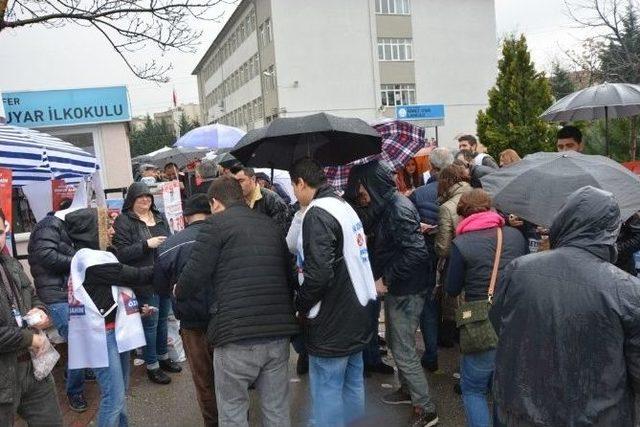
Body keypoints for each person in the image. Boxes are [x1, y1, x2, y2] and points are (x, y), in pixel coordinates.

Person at [491, 186, 640, 426]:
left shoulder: (519, 270)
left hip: (522, 411)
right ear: (611, 230)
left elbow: (500, 323)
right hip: (598, 416)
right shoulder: (627, 290)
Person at [176, 176, 299, 427]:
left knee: (232, 412)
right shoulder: (270, 225)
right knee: (276, 410)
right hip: (277, 334)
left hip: (235, 335)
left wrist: (178, 290)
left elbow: (193, 276)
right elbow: (290, 277)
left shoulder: (215, 226)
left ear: (215, 203)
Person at [346, 160, 438, 427]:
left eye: (361, 189)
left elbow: (416, 253)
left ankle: (426, 408)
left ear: (371, 185)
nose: (360, 194)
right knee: (400, 345)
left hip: (407, 289)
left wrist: (386, 278)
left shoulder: (397, 209)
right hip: (403, 287)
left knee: (403, 348)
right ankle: (409, 391)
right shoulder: (387, 206)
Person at [292, 158, 378, 427]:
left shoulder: (317, 214)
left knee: (327, 391)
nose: (295, 195)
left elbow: (319, 274)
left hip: (331, 321)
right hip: (357, 313)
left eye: (295, 188)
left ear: (301, 183)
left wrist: (301, 304)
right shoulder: (344, 206)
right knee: (353, 385)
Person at [65, 207, 154, 427]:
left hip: (114, 330)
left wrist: (137, 305)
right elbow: (135, 275)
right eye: (106, 225)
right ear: (90, 230)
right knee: (113, 398)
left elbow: (114, 290)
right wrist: (168, 261)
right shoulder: (92, 260)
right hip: (104, 337)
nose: (112, 230)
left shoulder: (95, 256)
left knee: (119, 394)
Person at [444, 189, 526, 427]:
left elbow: (451, 288)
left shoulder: (461, 243)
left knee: (473, 389)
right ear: (490, 208)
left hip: (481, 323)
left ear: (463, 213)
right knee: (502, 389)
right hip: (513, 319)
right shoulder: (514, 236)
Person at [154, 194, 217, 427]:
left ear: (185, 217)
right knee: (231, 378)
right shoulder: (224, 237)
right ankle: (238, 419)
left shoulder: (171, 244)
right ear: (212, 211)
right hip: (226, 319)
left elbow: (160, 287)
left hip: (191, 324)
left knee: (204, 380)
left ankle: (212, 422)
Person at [0, 208, 63, 427]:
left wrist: (42, 313)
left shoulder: (10, 263)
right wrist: (29, 338)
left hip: (33, 366)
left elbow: (33, 294)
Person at [113, 182, 180, 385]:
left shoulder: (159, 217)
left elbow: (171, 242)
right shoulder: (124, 222)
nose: (145, 200)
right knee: (150, 323)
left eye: (148, 197)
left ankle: (163, 357)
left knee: (162, 321)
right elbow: (121, 253)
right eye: (141, 197)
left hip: (164, 277)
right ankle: (152, 365)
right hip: (143, 279)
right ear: (131, 200)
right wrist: (145, 245)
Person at [27, 209, 89, 412]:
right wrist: (78, 261)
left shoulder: (60, 227)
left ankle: (75, 373)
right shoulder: (50, 225)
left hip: (67, 293)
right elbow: (46, 256)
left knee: (81, 338)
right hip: (56, 296)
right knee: (78, 340)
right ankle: (75, 390)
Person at [408, 147, 454, 371]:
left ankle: (431, 352)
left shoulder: (419, 194)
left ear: (431, 167)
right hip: (456, 254)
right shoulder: (464, 193)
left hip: (427, 255)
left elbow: (411, 227)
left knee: (429, 304)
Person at [435, 164, 472, 347]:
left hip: (456, 264)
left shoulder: (447, 207)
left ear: (445, 181)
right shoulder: (478, 196)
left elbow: (443, 248)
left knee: (454, 304)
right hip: (480, 263)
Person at [233, 166, 292, 234]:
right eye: (235, 182)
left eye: (241, 181)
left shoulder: (272, 199)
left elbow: (280, 232)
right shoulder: (236, 200)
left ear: (253, 179)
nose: (237, 185)